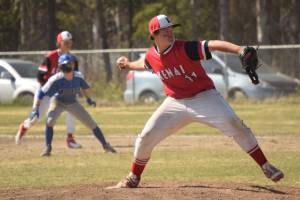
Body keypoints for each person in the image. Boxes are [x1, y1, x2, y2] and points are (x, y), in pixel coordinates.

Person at [110, 14, 284, 188]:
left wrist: (239, 49)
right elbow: (144, 63)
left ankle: (265, 165)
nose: (170, 34)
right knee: (146, 136)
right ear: (154, 35)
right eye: (165, 32)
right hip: (175, 102)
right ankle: (133, 177)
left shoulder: (185, 48)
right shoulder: (151, 56)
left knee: (235, 124)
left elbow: (213, 44)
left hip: (205, 97)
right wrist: (127, 64)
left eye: (171, 30)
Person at [30, 53, 116, 156]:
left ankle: (105, 145)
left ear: (73, 65)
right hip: (58, 102)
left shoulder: (78, 76)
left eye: (69, 64)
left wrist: (88, 99)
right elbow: (41, 93)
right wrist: (35, 108)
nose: (68, 66)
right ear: (60, 67)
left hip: (72, 102)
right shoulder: (55, 79)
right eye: (65, 65)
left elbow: (84, 87)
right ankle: (48, 147)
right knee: (49, 121)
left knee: (91, 123)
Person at [16, 31, 82, 149]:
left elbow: (74, 77)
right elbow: (40, 77)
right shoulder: (51, 57)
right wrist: (51, 87)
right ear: (59, 43)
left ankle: (70, 139)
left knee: (72, 109)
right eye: (65, 42)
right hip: (45, 89)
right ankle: (24, 126)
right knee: (37, 118)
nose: (68, 44)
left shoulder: (72, 59)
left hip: (61, 91)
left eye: (70, 42)